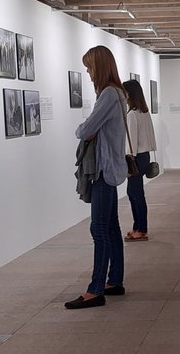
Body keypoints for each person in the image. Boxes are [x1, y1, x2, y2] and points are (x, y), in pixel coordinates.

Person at [67, 45, 129, 310]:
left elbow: (85, 130)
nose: (89, 73)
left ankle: (96, 289)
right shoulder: (119, 93)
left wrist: (85, 129)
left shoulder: (108, 95)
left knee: (99, 229)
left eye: (90, 67)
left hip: (104, 170)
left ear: (100, 67)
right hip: (111, 168)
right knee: (111, 226)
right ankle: (114, 281)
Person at [122, 79, 157, 242]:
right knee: (135, 193)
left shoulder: (132, 115)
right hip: (145, 156)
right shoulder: (144, 112)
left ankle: (141, 229)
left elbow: (131, 141)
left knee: (135, 194)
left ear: (129, 94)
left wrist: (128, 159)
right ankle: (138, 227)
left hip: (134, 158)